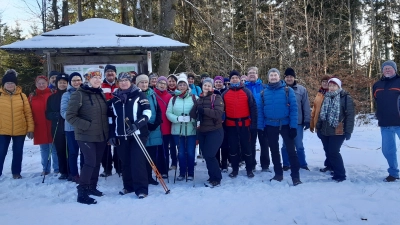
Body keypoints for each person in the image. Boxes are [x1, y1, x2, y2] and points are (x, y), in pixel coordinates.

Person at [66, 68, 110, 205]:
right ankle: (82, 192)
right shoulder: (79, 94)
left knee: (96, 162)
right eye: (94, 77)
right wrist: (86, 125)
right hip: (85, 135)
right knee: (90, 162)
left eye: (99, 77)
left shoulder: (100, 93)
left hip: (100, 135)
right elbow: (70, 116)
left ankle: (92, 187)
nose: (97, 80)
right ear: (88, 79)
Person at [108, 72, 151, 199]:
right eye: (121, 81)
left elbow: (147, 113)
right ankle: (128, 186)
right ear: (118, 83)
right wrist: (112, 134)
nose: (123, 83)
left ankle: (141, 189)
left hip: (137, 134)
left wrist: (137, 125)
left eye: (126, 80)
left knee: (137, 162)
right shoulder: (114, 99)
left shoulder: (139, 94)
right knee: (125, 162)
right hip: (121, 135)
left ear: (131, 82)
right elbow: (111, 119)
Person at [257, 68, 302, 186]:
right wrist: (261, 128)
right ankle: (278, 174)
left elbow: (294, 109)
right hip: (270, 125)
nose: (273, 77)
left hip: (286, 124)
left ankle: (295, 177)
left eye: (275, 75)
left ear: (279, 76)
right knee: (274, 151)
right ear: (268, 78)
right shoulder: (263, 93)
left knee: (291, 151)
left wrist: (293, 127)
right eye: (271, 75)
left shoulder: (288, 90)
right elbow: (260, 112)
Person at [316, 78, 354, 182]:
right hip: (325, 129)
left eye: (334, 85)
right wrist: (318, 128)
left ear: (339, 86)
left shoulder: (345, 97)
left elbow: (350, 116)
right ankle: (333, 169)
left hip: (338, 130)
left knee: (334, 152)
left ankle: (340, 175)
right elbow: (320, 114)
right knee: (328, 151)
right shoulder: (325, 97)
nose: (332, 88)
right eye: (330, 85)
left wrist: (348, 131)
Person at [222, 70, 257, 178]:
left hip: (245, 125)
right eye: (232, 78)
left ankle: (249, 169)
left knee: (247, 147)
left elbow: (253, 108)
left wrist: (253, 124)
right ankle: (235, 169)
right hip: (231, 125)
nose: (235, 79)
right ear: (230, 80)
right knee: (233, 148)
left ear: (239, 79)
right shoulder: (225, 93)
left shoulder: (247, 92)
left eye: (236, 77)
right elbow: (221, 110)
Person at [190, 78, 224, 187]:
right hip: (202, 131)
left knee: (210, 154)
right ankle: (212, 176)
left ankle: (217, 178)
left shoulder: (216, 97)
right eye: (205, 85)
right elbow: (193, 115)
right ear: (202, 86)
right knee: (206, 155)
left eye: (209, 85)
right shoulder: (199, 99)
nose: (207, 87)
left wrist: (204, 110)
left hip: (215, 130)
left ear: (212, 87)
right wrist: (196, 106)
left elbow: (218, 113)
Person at [0, 69, 34, 179]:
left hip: (20, 129)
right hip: (3, 129)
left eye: (12, 83)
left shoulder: (22, 96)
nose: (10, 85)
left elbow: (28, 113)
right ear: (4, 84)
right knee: (1, 152)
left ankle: (16, 172)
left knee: (18, 152)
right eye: (7, 83)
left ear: (15, 84)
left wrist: (30, 128)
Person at [166, 74, 197, 181]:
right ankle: (182, 172)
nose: (182, 86)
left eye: (184, 84)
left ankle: (191, 172)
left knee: (191, 152)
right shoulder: (173, 99)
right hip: (177, 130)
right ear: (177, 86)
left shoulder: (194, 98)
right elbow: (168, 113)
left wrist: (192, 119)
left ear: (187, 86)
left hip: (191, 130)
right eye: (180, 84)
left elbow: (198, 113)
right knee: (181, 153)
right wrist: (178, 118)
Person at [373, 60, 400, 182]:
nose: (387, 70)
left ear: (395, 69)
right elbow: (376, 102)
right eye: (385, 68)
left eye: (390, 68)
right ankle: (393, 173)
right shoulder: (377, 85)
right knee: (388, 151)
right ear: (382, 71)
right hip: (385, 124)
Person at [281, 68, 311, 171]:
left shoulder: (301, 90)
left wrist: (307, 120)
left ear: (294, 78)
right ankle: (286, 164)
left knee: (299, 145)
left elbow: (306, 106)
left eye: (291, 77)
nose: (289, 78)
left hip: (298, 122)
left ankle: (302, 164)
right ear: (284, 78)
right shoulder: (281, 89)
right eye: (287, 77)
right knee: (285, 145)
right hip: (284, 122)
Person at [136, 74, 162, 185]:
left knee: (151, 156)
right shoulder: (135, 95)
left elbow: (158, 109)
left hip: (154, 129)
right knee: (141, 156)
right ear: (137, 84)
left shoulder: (152, 94)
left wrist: (156, 123)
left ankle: (150, 176)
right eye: (142, 82)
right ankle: (142, 178)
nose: (144, 84)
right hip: (142, 129)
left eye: (146, 82)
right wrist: (144, 124)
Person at [30, 75, 59, 175]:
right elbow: (29, 113)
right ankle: (46, 169)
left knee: (54, 148)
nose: (41, 85)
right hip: (40, 126)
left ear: (47, 84)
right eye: (39, 83)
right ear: (36, 84)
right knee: (44, 149)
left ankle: (57, 168)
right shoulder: (32, 96)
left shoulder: (52, 94)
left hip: (52, 125)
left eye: (43, 83)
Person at [244, 66, 270, 172]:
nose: (252, 74)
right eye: (249, 73)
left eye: (254, 73)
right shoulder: (244, 88)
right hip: (249, 121)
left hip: (262, 121)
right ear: (247, 75)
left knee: (264, 144)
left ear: (257, 75)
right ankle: (251, 164)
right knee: (251, 144)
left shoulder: (264, 87)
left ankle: (265, 165)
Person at [61, 72, 84, 183]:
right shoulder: (66, 95)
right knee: (73, 152)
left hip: (84, 128)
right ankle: (74, 174)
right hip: (71, 128)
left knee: (85, 152)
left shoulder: (86, 92)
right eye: (74, 80)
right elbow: (63, 112)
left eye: (78, 80)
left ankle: (85, 173)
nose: (76, 82)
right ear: (70, 82)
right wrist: (75, 121)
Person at [46, 73, 69, 180]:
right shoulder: (52, 98)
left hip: (69, 126)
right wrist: (55, 115)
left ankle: (71, 170)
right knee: (60, 150)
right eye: (60, 83)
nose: (62, 85)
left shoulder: (71, 95)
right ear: (57, 84)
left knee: (70, 150)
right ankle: (63, 171)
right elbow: (47, 113)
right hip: (57, 127)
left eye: (64, 83)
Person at [100, 64, 120, 177]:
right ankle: (107, 169)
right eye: (108, 71)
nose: (110, 73)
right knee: (105, 145)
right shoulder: (101, 86)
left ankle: (119, 167)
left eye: (112, 71)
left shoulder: (120, 85)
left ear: (115, 73)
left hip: (117, 118)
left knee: (118, 143)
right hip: (104, 118)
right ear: (105, 74)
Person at [310, 75, 332, 172]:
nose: (324, 83)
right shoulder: (319, 94)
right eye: (323, 81)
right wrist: (312, 123)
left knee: (331, 147)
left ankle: (333, 165)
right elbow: (314, 109)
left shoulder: (332, 94)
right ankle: (329, 164)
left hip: (330, 125)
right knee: (326, 147)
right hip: (319, 125)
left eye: (326, 82)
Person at [153, 76, 173, 177]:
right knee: (156, 149)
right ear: (156, 84)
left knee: (165, 149)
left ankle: (164, 170)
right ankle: (157, 170)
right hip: (155, 126)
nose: (162, 85)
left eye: (164, 83)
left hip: (166, 126)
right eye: (160, 83)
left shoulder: (169, 96)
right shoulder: (152, 94)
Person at [213, 76, 229, 171]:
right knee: (216, 144)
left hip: (225, 121)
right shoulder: (212, 92)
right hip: (214, 121)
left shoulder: (226, 91)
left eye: (220, 82)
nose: (218, 83)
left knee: (225, 144)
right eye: (217, 82)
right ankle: (217, 162)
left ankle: (224, 163)